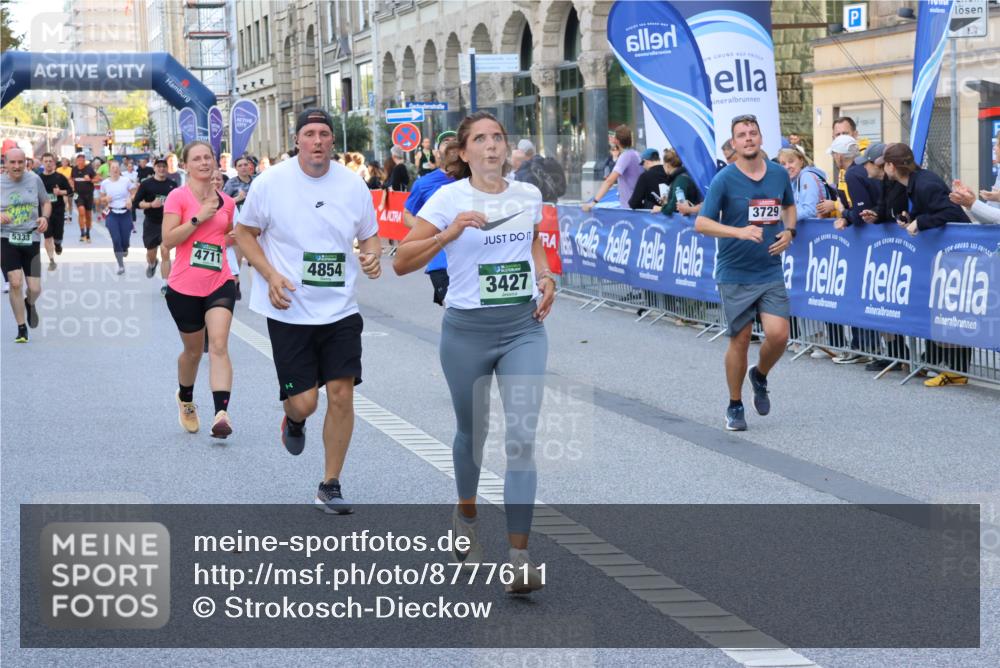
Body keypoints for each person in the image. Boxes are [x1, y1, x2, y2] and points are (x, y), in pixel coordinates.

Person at [393, 111, 556, 593]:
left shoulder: (527, 194)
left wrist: (546, 277)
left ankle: (519, 557)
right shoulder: (448, 198)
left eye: (498, 138)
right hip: (466, 331)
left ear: (506, 149)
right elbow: (402, 260)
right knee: (473, 432)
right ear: (463, 153)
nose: (491, 147)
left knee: (522, 439)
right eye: (480, 140)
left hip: (524, 327)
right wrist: (448, 234)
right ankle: (466, 512)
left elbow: (533, 246)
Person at [234, 108, 382, 514]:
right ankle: (294, 419)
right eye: (310, 134)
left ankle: (329, 485)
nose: (317, 140)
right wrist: (269, 275)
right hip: (289, 308)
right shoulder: (271, 183)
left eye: (324, 134)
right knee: (305, 403)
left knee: (340, 393)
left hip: (340, 309)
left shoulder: (353, 186)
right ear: (297, 140)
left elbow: (370, 238)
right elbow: (243, 234)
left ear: (333, 141)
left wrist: (371, 258)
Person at [694, 114, 796, 431]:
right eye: (742, 134)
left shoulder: (779, 174)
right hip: (735, 271)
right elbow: (702, 223)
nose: (748, 138)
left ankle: (760, 375)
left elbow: (789, 206)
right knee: (739, 339)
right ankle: (735, 404)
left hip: (768, 269)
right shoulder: (725, 179)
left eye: (753, 132)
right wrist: (738, 232)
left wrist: (790, 231)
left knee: (779, 335)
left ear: (761, 138)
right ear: (734, 143)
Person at [161, 141, 238, 438]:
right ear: (186, 165)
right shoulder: (177, 197)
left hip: (220, 282)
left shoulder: (227, 203)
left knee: (218, 345)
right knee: (193, 352)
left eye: (208, 157)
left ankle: (222, 414)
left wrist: (231, 237)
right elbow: (168, 240)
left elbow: (224, 235)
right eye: (197, 158)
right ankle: (186, 398)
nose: (204, 162)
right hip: (184, 287)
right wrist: (198, 217)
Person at [879, 143, 972, 387]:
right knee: (941, 308)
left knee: (954, 309)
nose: (882, 169)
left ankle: (957, 370)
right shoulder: (915, 182)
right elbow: (927, 211)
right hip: (944, 254)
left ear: (891, 166)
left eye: (884, 164)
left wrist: (920, 222)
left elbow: (951, 213)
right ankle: (942, 364)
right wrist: (910, 218)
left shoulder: (925, 183)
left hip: (957, 252)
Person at [1, 148, 50, 343]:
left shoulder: (34, 179)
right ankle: (22, 328)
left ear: (26, 162)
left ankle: (29, 303)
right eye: (12, 162)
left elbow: (46, 202)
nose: (17, 166)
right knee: (15, 282)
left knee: (35, 288)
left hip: (31, 237)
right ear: (5, 163)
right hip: (6, 237)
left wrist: (44, 217)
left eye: (20, 162)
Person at [403, 132, 458, 306]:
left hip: (473, 259)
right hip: (440, 260)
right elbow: (406, 215)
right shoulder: (424, 183)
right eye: (445, 142)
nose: (450, 145)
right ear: (437, 151)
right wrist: (429, 228)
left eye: (454, 142)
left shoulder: (474, 178)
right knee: (453, 309)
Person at [132, 157, 178, 295]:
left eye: (164, 166)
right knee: (151, 252)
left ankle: (166, 284)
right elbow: (136, 203)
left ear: (167, 168)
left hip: (167, 223)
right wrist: (151, 204)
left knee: (165, 251)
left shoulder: (172, 184)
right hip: (151, 222)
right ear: (154, 168)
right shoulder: (147, 184)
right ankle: (152, 264)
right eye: (159, 166)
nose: (162, 169)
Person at [583, 125, 643, 211]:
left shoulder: (625, 156)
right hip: (636, 205)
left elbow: (609, 181)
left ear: (617, 141)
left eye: (614, 137)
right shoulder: (636, 154)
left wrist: (594, 202)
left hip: (628, 208)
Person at [98, 160, 138, 275]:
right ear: (109, 170)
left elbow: (135, 192)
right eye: (113, 168)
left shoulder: (126, 181)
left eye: (117, 168)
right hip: (112, 214)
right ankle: (120, 265)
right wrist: (106, 199)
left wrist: (130, 199)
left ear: (119, 170)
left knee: (124, 240)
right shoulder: (105, 183)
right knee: (116, 240)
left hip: (125, 213)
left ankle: (125, 247)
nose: (115, 170)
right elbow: (101, 199)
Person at [38, 153, 72, 271]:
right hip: (44, 213)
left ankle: (58, 245)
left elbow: (71, 192)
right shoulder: (38, 178)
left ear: (53, 163)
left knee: (58, 235)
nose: (48, 163)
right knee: (47, 237)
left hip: (58, 210)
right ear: (42, 162)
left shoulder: (60, 177)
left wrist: (60, 192)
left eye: (50, 161)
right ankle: (51, 260)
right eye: (46, 161)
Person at [513, 139, 567, 204]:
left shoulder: (527, 170)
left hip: (537, 207)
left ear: (521, 153)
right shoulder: (546, 163)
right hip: (552, 204)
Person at [655, 150, 703, 217]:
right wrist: (667, 202)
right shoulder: (683, 176)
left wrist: (660, 208)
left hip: (688, 222)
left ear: (667, 165)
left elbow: (675, 206)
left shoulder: (680, 180)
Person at [70, 153, 96, 243]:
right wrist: (72, 185)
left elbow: (98, 178)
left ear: (84, 161)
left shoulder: (89, 169)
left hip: (88, 194)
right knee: (81, 211)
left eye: (82, 160)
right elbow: (71, 178)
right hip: (77, 194)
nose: (81, 162)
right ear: (76, 161)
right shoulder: (74, 169)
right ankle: (82, 233)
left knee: (88, 215)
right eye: (79, 160)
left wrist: (90, 180)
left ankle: (88, 233)